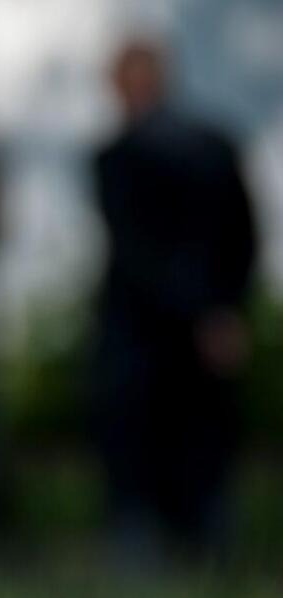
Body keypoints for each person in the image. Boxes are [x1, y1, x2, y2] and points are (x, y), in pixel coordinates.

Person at [92, 41, 256, 561]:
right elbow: (244, 237)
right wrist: (220, 309)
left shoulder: (118, 157)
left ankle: (151, 555)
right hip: (204, 324)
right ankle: (209, 555)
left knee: (142, 456)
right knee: (203, 450)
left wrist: (197, 308)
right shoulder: (214, 143)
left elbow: (138, 250)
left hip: (141, 330)